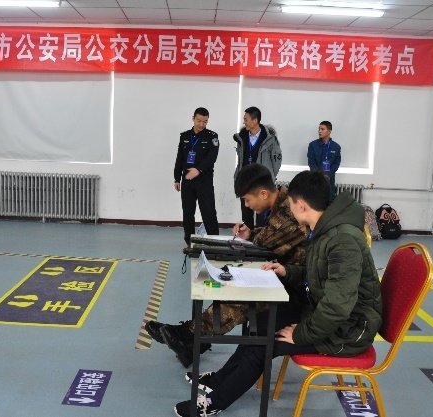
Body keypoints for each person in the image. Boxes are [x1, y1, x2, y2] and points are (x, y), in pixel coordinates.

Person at [173, 170, 383, 417]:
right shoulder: (325, 229)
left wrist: (301, 334)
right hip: (325, 313)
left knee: (264, 344)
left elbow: (338, 306)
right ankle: (219, 381)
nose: (289, 210)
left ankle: (213, 402)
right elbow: (320, 274)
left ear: (301, 205)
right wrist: (288, 271)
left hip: (349, 331)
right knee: (260, 324)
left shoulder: (342, 241)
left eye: (290, 204)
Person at [146, 163, 307, 368]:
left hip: (297, 287)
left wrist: (253, 237)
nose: (247, 205)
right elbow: (273, 237)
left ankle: (189, 336)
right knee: (233, 287)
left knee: (242, 295)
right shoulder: (283, 204)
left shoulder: (287, 212)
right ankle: (193, 340)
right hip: (288, 275)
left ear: (264, 194)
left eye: (247, 199)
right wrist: (251, 234)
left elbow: (266, 242)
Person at [174, 107, 220, 246]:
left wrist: (198, 169)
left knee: (208, 212)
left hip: (204, 180)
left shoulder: (212, 136)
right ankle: (189, 242)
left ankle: (215, 243)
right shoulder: (184, 136)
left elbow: (212, 157)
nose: (201, 124)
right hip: (187, 179)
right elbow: (180, 158)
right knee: (188, 212)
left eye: (205, 122)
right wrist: (177, 178)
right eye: (199, 121)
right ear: (193, 118)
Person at [233, 106, 282, 230]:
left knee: (262, 218)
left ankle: (261, 238)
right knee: (246, 215)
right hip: (245, 181)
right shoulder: (241, 138)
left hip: (261, 183)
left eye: (246, 119)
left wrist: (269, 176)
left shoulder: (270, 139)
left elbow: (276, 161)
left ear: (255, 120)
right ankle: (248, 237)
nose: (244, 122)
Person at [307, 120, 341, 200]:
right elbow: (311, 162)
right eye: (319, 129)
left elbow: (336, 163)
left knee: (329, 201)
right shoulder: (312, 145)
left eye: (322, 129)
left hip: (329, 180)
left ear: (329, 131)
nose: (319, 131)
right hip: (316, 179)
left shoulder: (336, 147)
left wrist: (327, 175)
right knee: (315, 201)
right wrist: (319, 176)